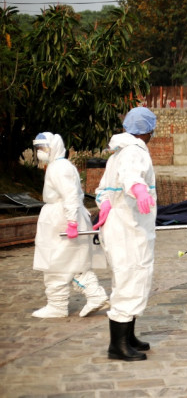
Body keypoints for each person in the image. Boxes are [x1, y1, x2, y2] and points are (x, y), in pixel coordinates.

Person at [93, 107, 157, 361]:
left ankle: (128, 336)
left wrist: (106, 203)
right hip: (129, 227)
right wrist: (139, 190)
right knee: (130, 278)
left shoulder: (118, 153)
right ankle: (117, 345)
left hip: (124, 224)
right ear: (148, 131)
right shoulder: (134, 152)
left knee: (133, 277)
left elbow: (103, 188)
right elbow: (132, 177)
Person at [31, 132, 109, 318]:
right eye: (39, 149)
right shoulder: (60, 166)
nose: (41, 152)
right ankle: (94, 295)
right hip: (62, 216)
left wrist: (72, 221)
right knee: (73, 261)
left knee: (57, 263)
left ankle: (58, 305)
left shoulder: (59, 168)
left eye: (43, 148)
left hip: (62, 218)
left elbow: (70, 195)